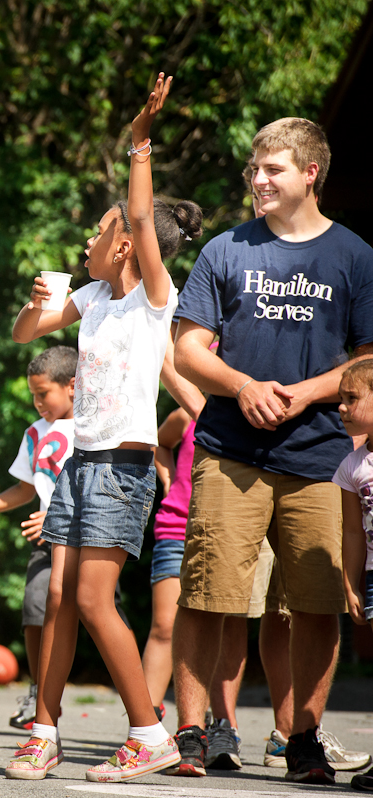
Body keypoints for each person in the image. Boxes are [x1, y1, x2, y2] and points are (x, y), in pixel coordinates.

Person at [5, 74, 202, 782]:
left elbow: (143, 220)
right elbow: (26, 331)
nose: (89, 238)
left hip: (120, 468)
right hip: (78, 467)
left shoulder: (154, 297)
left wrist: (140, 143)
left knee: (89, 599)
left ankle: (148, 732)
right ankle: (45, 730)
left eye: (99, 230)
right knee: (61, 599)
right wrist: (33, 307)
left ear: (124, 243)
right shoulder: (89, 297)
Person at [169, 115, 373, 784]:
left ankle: (303, 739)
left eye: (272, 170)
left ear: (309, 173)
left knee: (315, 606)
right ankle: (194, 734)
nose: (257, 180)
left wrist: (305, 392)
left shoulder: (353, 256)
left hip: (318, 456)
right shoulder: (224, 250)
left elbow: (368, 359)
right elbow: (187, 348)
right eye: (252, 170)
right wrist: (243, 386)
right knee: (206, 596)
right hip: (229, 451)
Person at [0, 345, 77, 732]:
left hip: (88, 540)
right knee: (35, 609)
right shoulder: (36, 433)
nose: (37, 403)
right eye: (33, 395)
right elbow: (24, 490)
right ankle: (40, 694)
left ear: (73, 386)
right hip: (46, 544)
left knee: (104, 617)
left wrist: (58, 516)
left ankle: (141, 706)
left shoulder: (95, 425)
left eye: (44, 394)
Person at [336, 360, 373, 792]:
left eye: (352, 399)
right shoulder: (352, 466)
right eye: (340, 399)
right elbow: (350, 531)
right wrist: (350, 583)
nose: (341, 409)